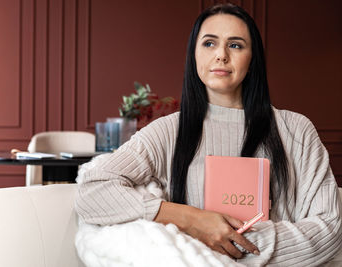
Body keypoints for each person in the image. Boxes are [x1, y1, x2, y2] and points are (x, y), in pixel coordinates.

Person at [75, 3, 342, 265]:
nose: (221, 55)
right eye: (209, 43)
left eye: (235, 45)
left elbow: (330, 227)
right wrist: (190, 219)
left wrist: (233, 247)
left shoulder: (296, 130)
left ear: (253, 59)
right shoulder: (168, 131)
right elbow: (91, 190)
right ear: (194, 55)